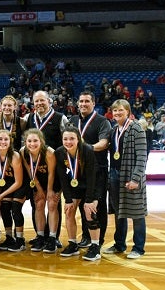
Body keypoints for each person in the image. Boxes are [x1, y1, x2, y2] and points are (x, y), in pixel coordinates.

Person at [104, 99, 149, 259]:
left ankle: (138, 248)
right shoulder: (114, 130)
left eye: (120, 110)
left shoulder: (137, 129)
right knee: (119, 212)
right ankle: (119, 245)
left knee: (137, 213)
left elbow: (142, 157)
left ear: (128, 112)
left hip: (131, 176)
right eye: (115, 111)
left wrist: (136, 179)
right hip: (115, 175)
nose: (117, 113)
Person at [69, 91, 112, 249]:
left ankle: (98, 241)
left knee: (98, 205)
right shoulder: (73, 120)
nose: (83, 104)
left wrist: (83, 149)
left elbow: (103, 143)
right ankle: (86, 236)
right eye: (81, 101)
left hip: (98, 170)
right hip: (78, 171)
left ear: (94, 103)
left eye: (87, 101)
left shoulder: (102, 121)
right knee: (83, 206)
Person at [55, 126, 102, 260]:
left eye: (72, 139)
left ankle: (95, 247)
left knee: (89, 212)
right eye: (65, 139)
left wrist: (89, 200)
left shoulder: (87, 150)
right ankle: (72, 244)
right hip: (74, 185)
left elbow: (92, 176)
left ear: (78, 139)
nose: (68, 142)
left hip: (92, 185)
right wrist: (68, 199)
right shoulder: (59, 152)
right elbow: (62, 178)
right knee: (69, 211)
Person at [20, 129, 59, 253]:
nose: (32, 144)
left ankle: (52, 238)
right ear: (25, 142)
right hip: (37, 181)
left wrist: (50, 191)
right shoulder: (23, 152)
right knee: (39, 204)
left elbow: (52, 174)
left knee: (52, 205)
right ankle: (40, 236)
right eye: (29, 141)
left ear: (41, 141)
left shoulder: (49, 152)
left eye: (35, 140)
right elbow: (31, 172)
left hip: (53, 181)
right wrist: (39, 190)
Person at [0, 129, 25, 252]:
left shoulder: (14, 156)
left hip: (20, 184)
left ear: (10, 141)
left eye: (6, 139)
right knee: (4, 207)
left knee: (15, 207)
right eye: (0, 139)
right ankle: (9, 237)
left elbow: (18, 182)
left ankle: (20, 240)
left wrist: (1, 195)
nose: (3, 142)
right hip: (7, 183)